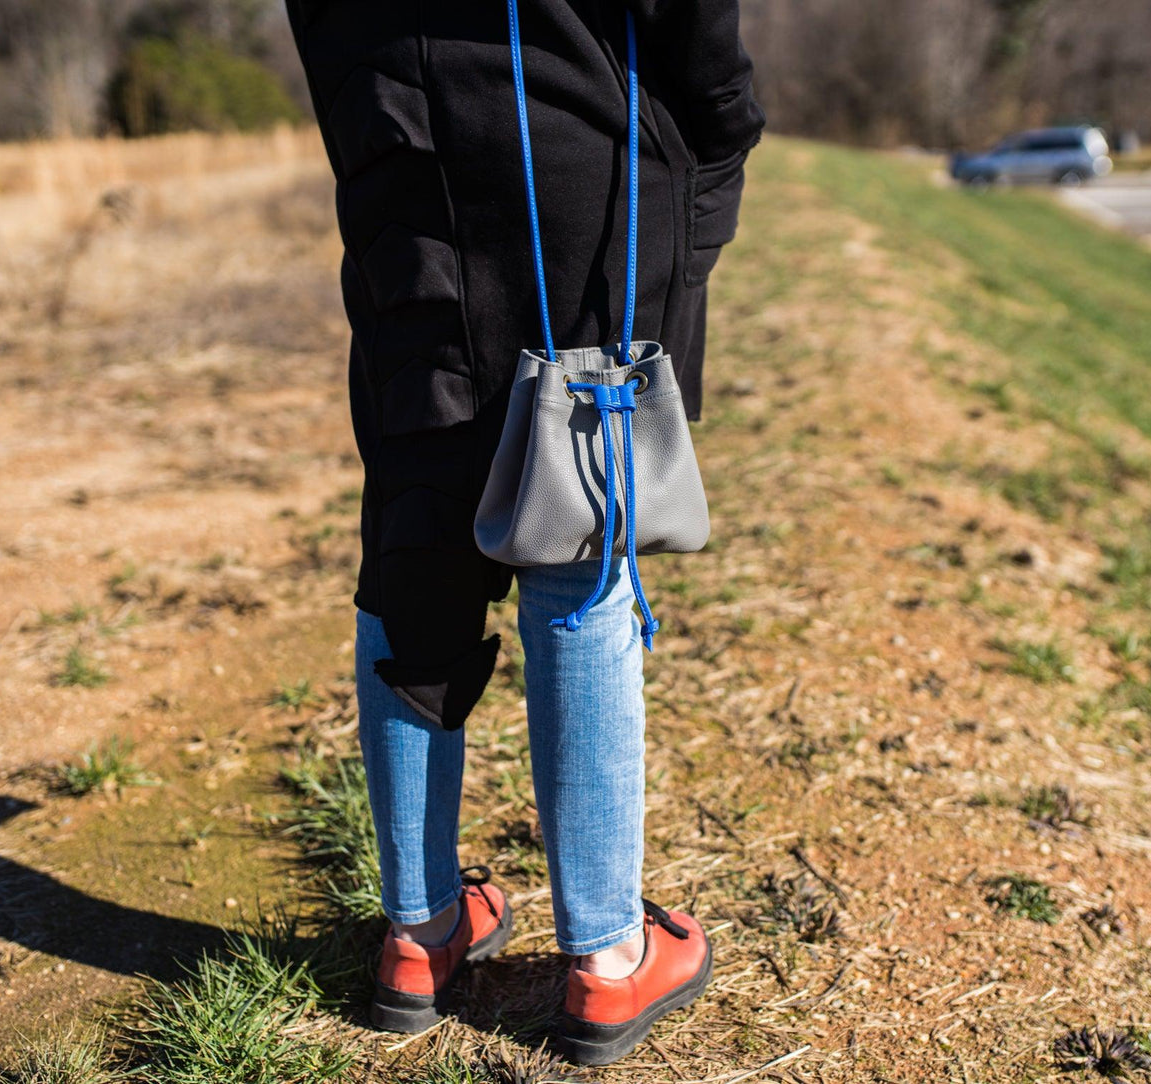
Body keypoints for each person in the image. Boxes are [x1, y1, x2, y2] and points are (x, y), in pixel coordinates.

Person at [284, 0, 763, 1065]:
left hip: (400, 157)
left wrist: (369, 104)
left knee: (416, 532)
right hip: (580, 156)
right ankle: (606, 959)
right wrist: (721, 119)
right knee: (578, 536)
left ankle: (418, 932)